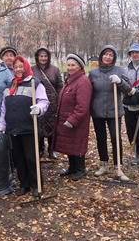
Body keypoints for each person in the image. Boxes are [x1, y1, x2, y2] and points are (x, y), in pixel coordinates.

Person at [0, 56, 50, 197]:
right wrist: (2, 125)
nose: (18, 69)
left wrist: (39, 108)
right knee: (19, 158)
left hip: (29, 127)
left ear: (26, 67)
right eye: (16, 67)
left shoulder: (35, 83)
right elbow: (4, 108)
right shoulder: (10, 86)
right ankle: (24, 184)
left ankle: (36, 185)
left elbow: (44, 101)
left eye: (21, 66)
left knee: (31, 157)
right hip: (13, 128)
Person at [88, 45, 132, 181]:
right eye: (105, 54)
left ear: (114, 58)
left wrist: (119, 82)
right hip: (98, 111)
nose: (108, 57)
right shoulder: (93, 73)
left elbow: (128, 89)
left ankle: (118, 167)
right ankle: (104, 165)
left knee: (115, 138)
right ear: (101, 56)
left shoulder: (120, 70)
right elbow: (88, 91)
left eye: (111, 55)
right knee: (101, 138)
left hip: (114, 111)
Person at [53, 53, 93, 181]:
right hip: (66, 118)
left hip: (77, 121)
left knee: (78, 143)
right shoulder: (70, 80)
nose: (70, 67)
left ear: (79, 66)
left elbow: (83, 105)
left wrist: (73, 119)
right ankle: (72, 167)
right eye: (68, 65)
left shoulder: (83, 81)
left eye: (73, 65)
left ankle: (81, 169)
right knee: (70, 144)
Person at [31, 47, 63, 160]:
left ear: (48, 57)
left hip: (52, 103)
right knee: (39, 125)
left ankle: (52, 149)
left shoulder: (55, 70)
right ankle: (40, 148)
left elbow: (60, 86)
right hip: (38, 102)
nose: (43, 58)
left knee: (52, 126)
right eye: (41, 56)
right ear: (37, 57)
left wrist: (59, 100)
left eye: (45, 56)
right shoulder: (32, 70)